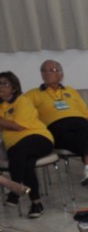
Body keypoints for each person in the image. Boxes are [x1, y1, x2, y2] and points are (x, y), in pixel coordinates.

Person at [27, 60, 88, 188]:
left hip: (79, 125)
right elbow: (20, 111)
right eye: (44, 70)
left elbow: (87, 114)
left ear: (61, 74)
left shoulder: (70, 91)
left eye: (52, 70)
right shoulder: (32, 94)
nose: (47, 73)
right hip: (56, 129)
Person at [0, 72, 53, 218]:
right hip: (15, 146)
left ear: (14, 87)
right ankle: (36, 203)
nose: (1, 87)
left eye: (5, 84)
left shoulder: (22, 101)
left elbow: (18, 126)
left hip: (38, 138)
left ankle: (15, 188)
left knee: (18, 150)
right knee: (26, 164)